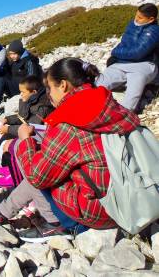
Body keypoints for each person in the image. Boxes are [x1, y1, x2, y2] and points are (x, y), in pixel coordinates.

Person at [15, 57, 139, 241]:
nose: (49, 94)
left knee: (39, 168)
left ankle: (67, 225)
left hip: (104, 210)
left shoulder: (70, 118)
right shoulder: (106, 100)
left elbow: (37, 176)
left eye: (50, 88)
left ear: (63, 85)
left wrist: (26, 140)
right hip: (134, 194)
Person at [96, 3, 159, 111]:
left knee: (130, 101)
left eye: (140, 17)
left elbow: (138, 53)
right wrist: (116, 57)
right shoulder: (132, 24)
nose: (136, 19)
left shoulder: (154, 31)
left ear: (151, 19)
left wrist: (115, 52)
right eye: (136, 15)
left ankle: (123, 118)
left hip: (144, 65)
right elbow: (123, 43)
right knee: (98, 84)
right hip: (122, 63)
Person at [0, 75, 53, 140]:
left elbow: (31, 128)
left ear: (34, 92)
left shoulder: (41, 107)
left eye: (23, 92)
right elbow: (23, 117)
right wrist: (8, 119)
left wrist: (8, 129)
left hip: (36, 137)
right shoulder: (28, 100)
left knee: (5, 137)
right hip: (26, 130)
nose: (20, 94)